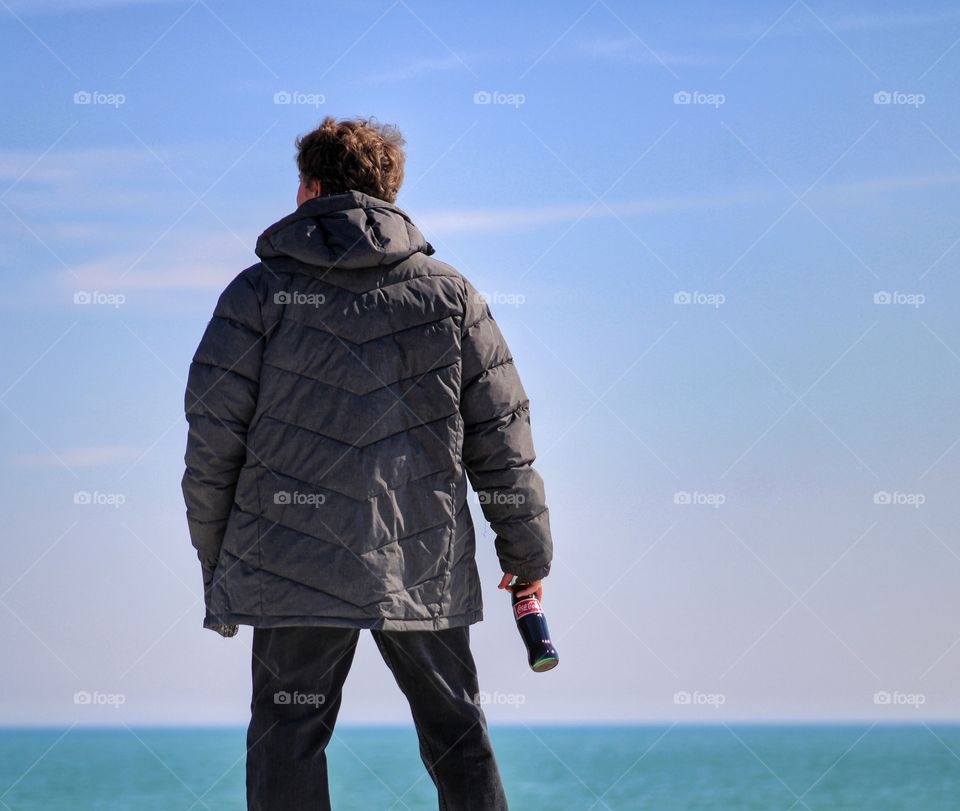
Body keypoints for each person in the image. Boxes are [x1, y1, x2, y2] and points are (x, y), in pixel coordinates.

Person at [180, 116, 553, 810]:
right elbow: (501, 435)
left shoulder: (255, 296)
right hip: (422, 557)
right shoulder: (452, 297)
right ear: (390, 192)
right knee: (456, 732)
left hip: (291, 561)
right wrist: (526, 547)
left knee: (288, 733)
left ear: (311, 189)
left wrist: (218, 560)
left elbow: (210, 441)